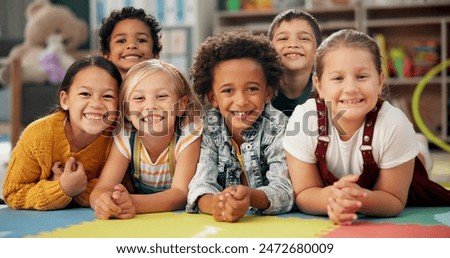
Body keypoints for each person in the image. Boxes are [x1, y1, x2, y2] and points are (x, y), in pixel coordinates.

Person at [283, 29, 450, 226]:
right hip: (340, 187)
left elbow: (394, 200)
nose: (351, 88)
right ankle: (418, 143)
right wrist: (332, 201)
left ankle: (419, 147)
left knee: (419, 161)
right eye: (338, 78)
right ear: (318, 85)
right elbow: (304, 192)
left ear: (380, 81)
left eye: (362, 76)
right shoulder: (305, 119)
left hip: (395, 166)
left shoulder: (394, 123)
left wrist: (359, 198)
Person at [186, 30, 294, 222]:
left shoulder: (278, 126)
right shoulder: (210, 128)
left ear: (267, 94)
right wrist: (216, 204)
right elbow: (200, 185)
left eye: (252, 89)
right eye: (228, 90)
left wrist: (250, 197)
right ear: (213, 98)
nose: (241, 101)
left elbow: (284, 191)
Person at [3, 56, 122, 210]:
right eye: (85, 94)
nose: (97, 104)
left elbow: (126, 186)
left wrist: (78, 189)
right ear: (65, 100)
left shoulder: (117, 139)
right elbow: (12, 192)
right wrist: (61, 188)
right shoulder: (38, 136)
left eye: (108, 96)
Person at [90, 59, 203, 220]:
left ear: (181, 105)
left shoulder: (188, 133)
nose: (150, 106)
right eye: (139, 98)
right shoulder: (126, 137)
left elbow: (181, 194)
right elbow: (102, 188)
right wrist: (103, 202)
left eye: (162, 96)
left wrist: (133, 203)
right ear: (127, 111)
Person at [268, 9, 322, 117]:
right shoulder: (259, 94)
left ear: (318, 51)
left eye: (303, 38)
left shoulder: (326, 96)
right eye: (283, 38)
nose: (293, 44)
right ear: (269, 49)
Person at [98, 6, 162, 78]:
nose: (131, 45)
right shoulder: (101, 87)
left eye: (141, 40)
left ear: (155, 53)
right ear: (107, 55)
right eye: (121, 41)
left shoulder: (167, 86)